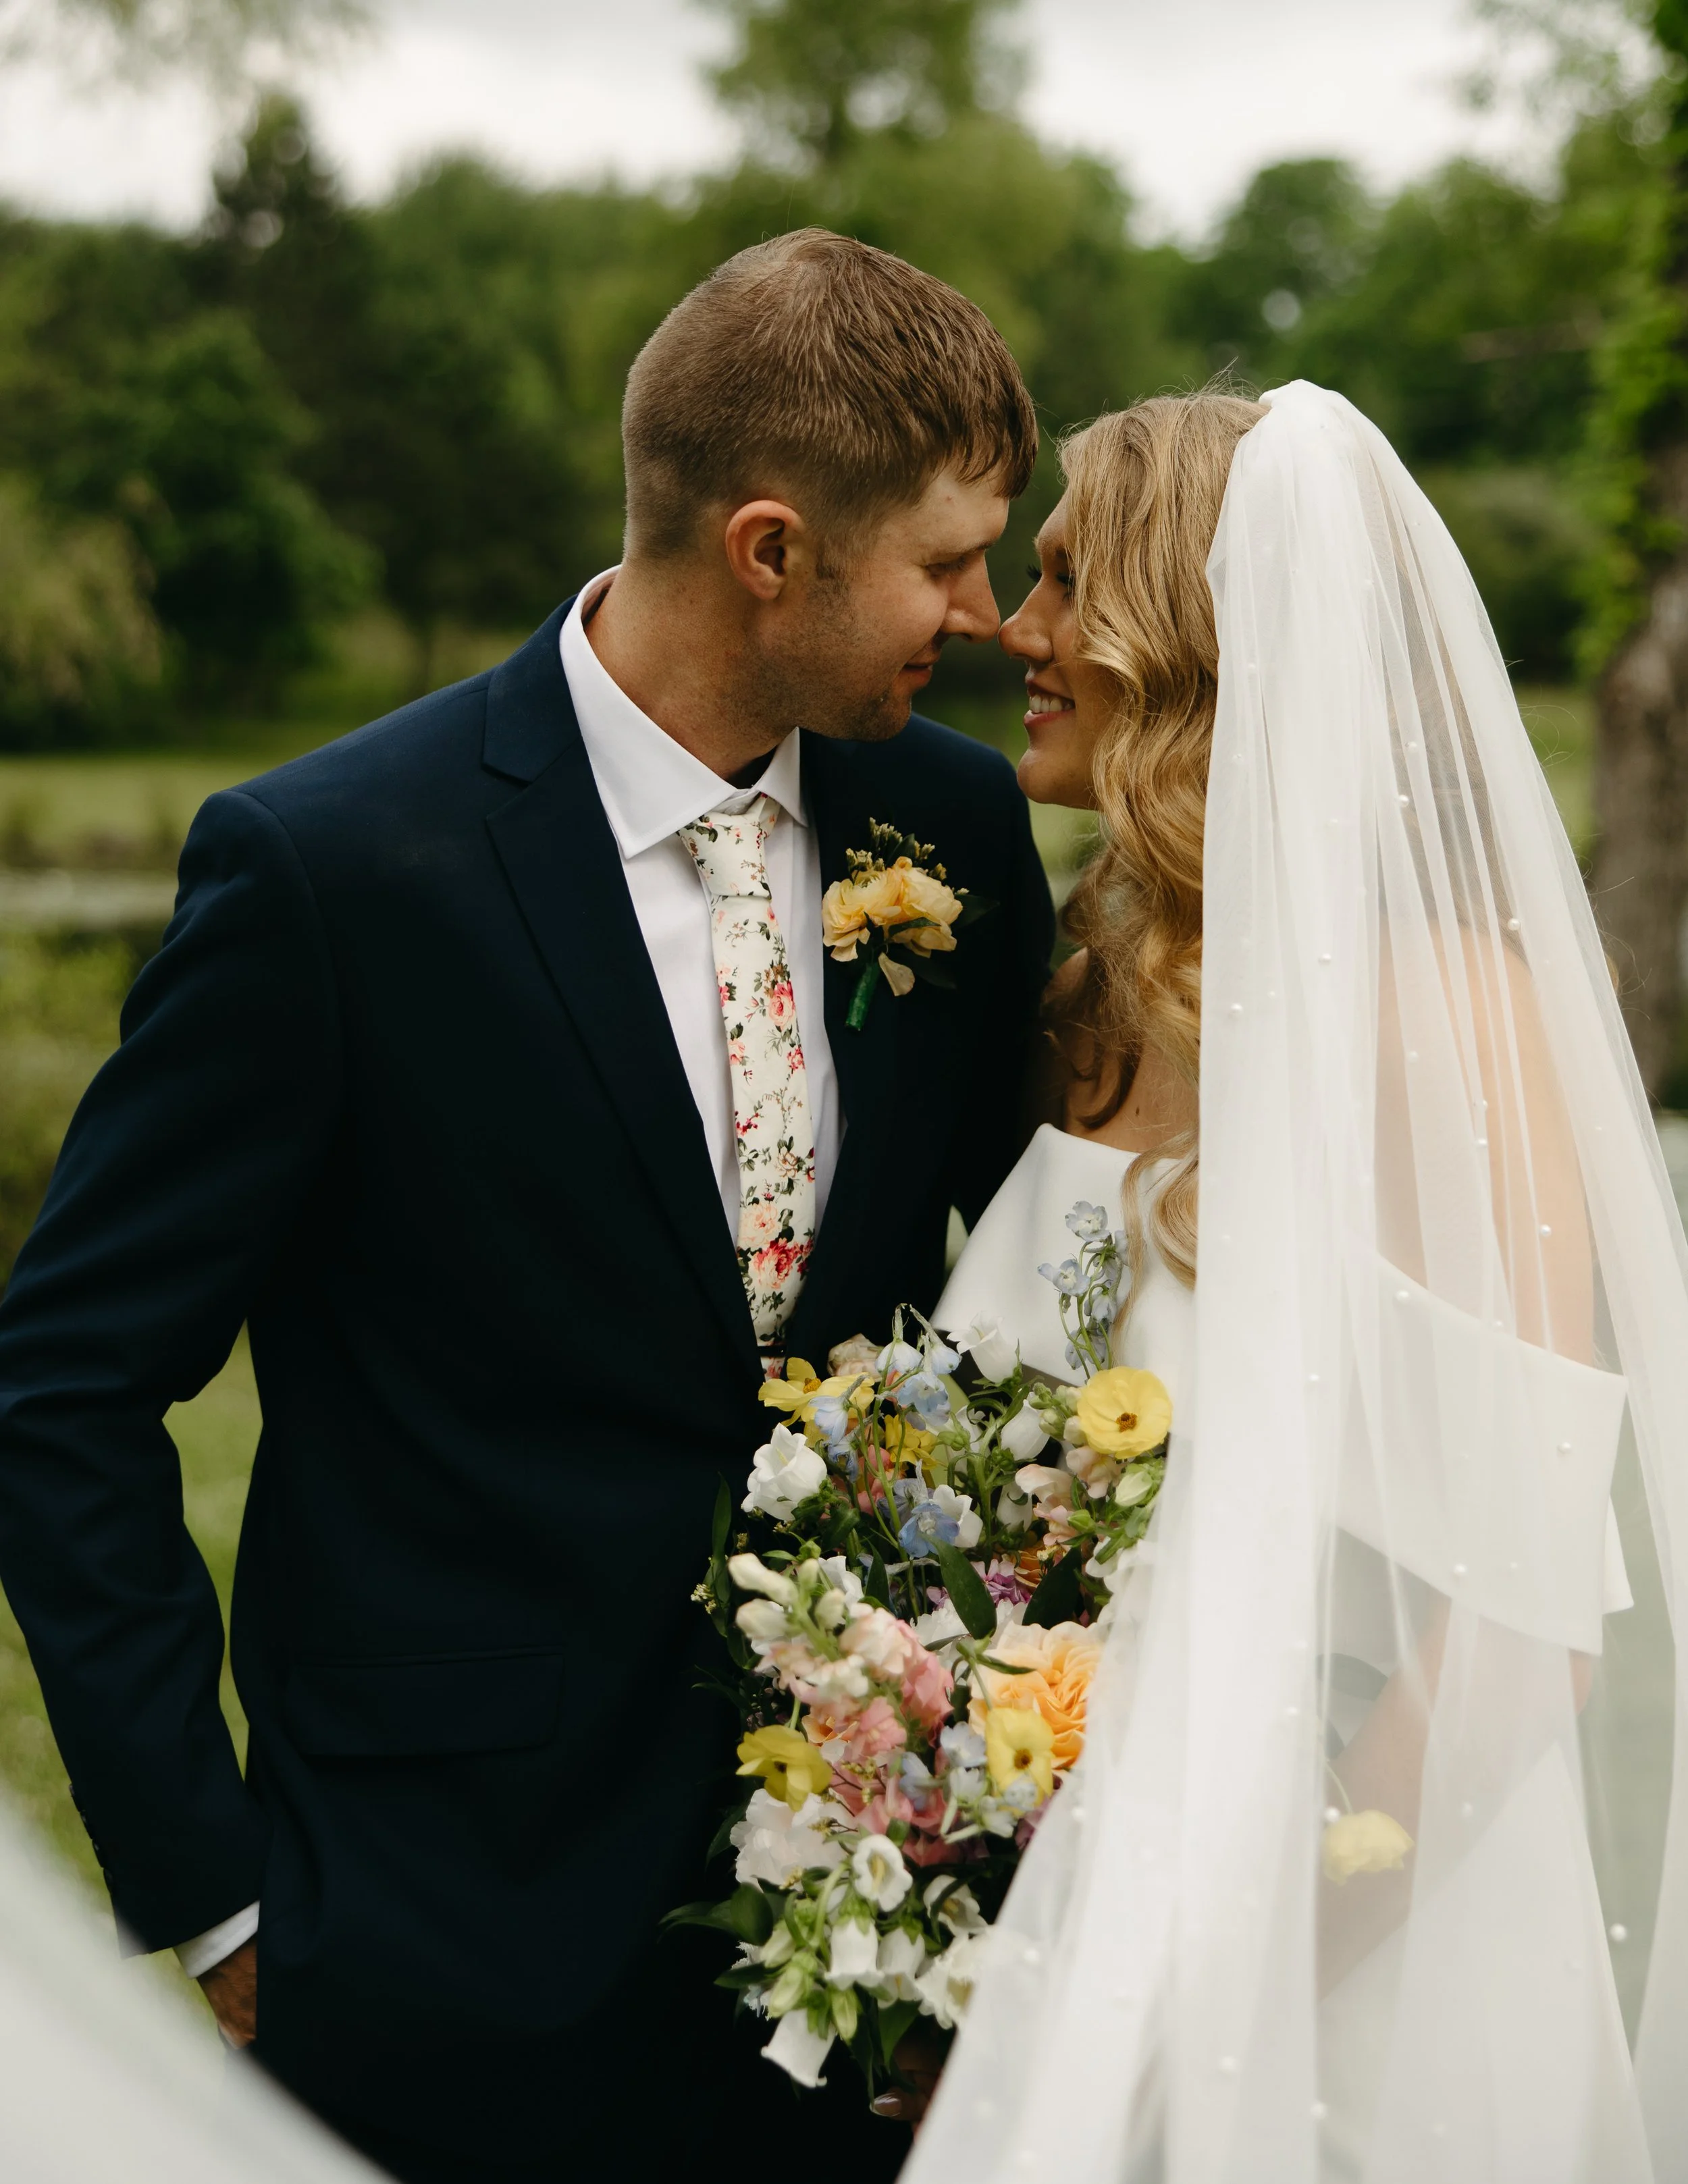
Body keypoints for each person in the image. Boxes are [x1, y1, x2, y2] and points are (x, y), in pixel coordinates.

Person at [0, 230, 1054, 2184]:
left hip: (860, 1943)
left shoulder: (953, 826)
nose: (985, 617)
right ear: (768, 549)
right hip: (430, 1929)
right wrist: (213, 1892)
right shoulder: (330, 871)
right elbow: (63, 1384)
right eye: (947, 562)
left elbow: (1026, 1310)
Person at [909, 383, 1688, 2180]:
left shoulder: (1447, 1025)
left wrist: (1207, 2006)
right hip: (1057, 1904)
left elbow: (1520, 1639)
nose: (1014, 632)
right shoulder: (1098, 998)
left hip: (1348, 1970)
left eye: (1061, 582)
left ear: (1183, 638)